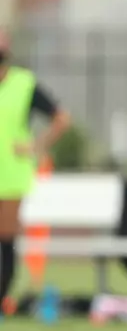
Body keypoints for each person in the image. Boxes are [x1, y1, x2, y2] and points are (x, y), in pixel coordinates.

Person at [0, 28, 72, 314]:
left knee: (5, 238)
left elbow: (61, 119)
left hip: (11, 173)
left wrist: (35, 146)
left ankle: (2, 299)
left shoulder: (24, 83)